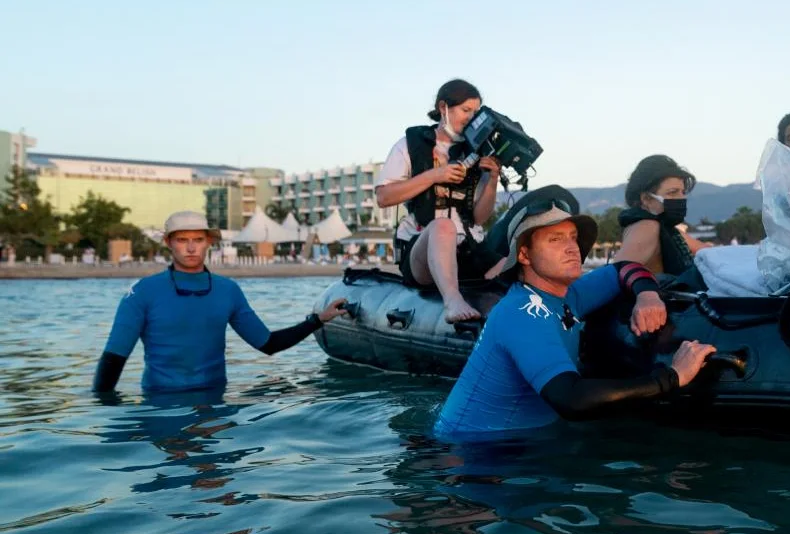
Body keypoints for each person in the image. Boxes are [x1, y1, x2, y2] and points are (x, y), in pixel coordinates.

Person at [434, 197, 716, 439]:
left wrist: (647, 295)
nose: (572, 247)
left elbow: (624, 268)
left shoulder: (568, 294)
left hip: (519, 446)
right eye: (555, 239)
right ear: (524, 255)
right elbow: (571, 399)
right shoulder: (522, 312)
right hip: (476, 455)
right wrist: (671, 377)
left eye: (572, 237)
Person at [93, 211, 348, 394]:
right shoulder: (142, 292)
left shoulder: (228, 290)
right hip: (161, 402)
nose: (191, 248)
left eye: (198, 240)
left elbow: (268, 344)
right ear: (168, 243)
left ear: (209, 242)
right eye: (182, 240)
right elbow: (113, 360)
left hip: (215, 404)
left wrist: (317, 320)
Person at [375, 79, 504, 323]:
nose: (471, 118)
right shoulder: (410, 144)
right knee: (443, 226)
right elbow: (383, 197)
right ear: (443, 107)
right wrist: (435, 175)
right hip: (421, 251)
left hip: (467, 250)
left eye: (476, 112)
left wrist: (492, 180)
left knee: (512, 263)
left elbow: (479, 218)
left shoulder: (476, 151)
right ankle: (452, 300)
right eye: (466, 110)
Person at [615, 155, 712, 278]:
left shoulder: (665, 229)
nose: (682, 198)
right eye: (672, 192)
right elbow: (619, 272)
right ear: (646, 199)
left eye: (682, 192)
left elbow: (708, 252)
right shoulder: (647, 227)